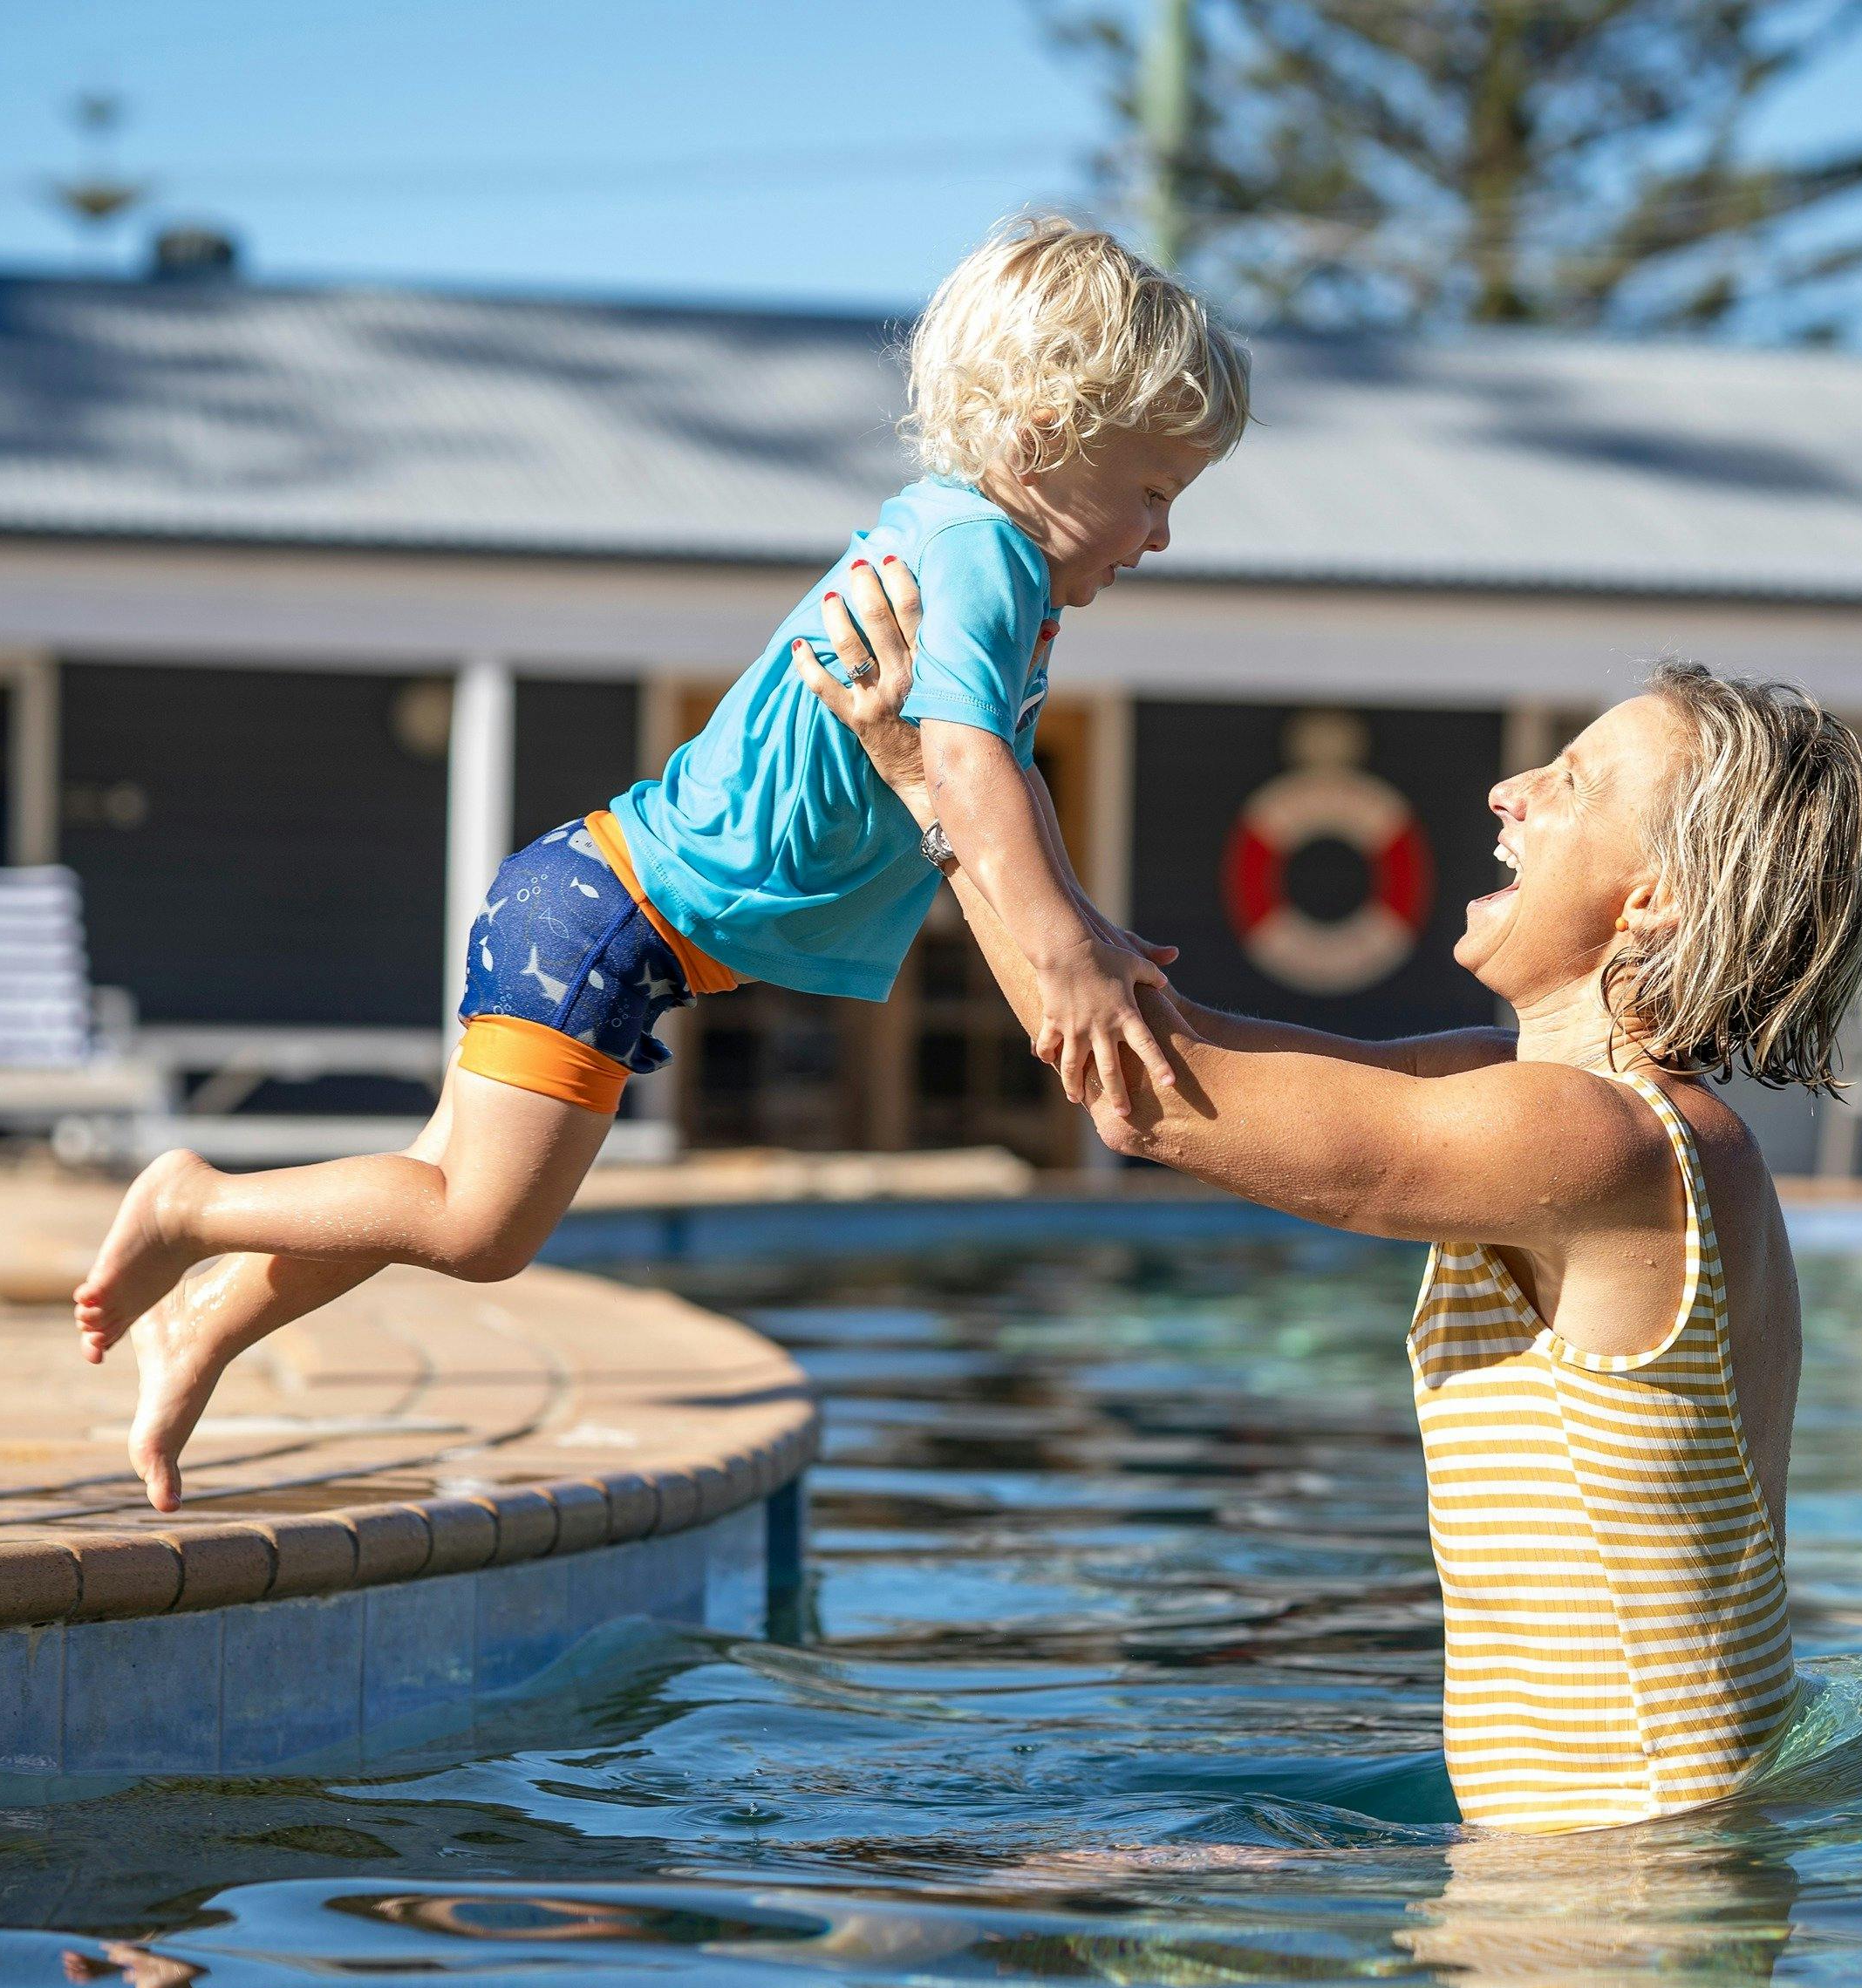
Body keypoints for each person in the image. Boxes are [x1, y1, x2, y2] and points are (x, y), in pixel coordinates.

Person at [72, 217, 1249, 1511]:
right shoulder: (987, 556)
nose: (1160, 537)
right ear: (1044, 439)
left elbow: (1004, 773)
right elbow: (965, 770)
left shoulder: (970, 547)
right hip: (608, 920)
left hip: (602, 911)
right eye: (1154, 493)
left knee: (426, 1195)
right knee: (477, 1230)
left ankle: (205, 1326)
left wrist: (1082, 923)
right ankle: (190, 1203)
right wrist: (1062, 955)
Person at [795, 592, 1862, 1835]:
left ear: (1650, 899)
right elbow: (1156, 1037)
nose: (1509, 793)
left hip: (1622, 1885)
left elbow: (1147, 1101)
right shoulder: (1571, 1108)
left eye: (1572, 783)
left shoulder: (1598, 1142)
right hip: (1631, 1847)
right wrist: (974, 765)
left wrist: (942, 775)